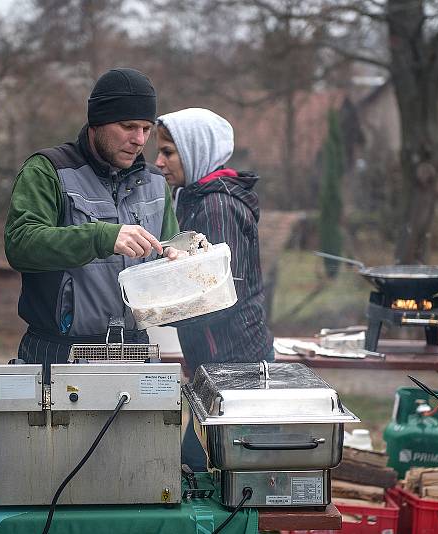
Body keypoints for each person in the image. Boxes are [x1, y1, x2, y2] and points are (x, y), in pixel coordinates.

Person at [4, 68, 180, 381]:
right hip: (59, 353)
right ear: (97, 121)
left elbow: (169, 251)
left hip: (137, 352)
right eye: (128, 126)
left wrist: (185, 258)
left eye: (146, 128)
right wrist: (101, 236)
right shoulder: (48, 171)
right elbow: (21, 244)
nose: (139, 140)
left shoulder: (155, 182)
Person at [155, 108, 274, 471]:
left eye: (169, 152)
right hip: (214, 363)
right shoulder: (193, 198)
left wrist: (157, 309)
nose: (159, 162)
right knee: (200, 466)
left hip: (236, 370)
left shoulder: (217, 206)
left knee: (202, 466)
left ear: (195, 151)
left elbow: (223, 294)